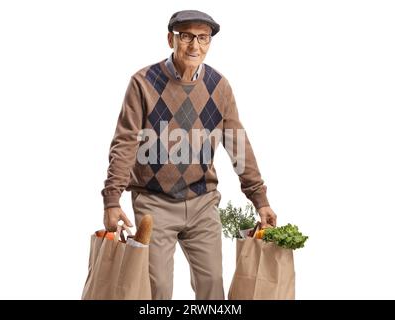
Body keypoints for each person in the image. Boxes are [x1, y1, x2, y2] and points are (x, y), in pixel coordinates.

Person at [101, 9, 277, 300]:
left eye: (202, 38)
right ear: (170, 39)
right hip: (154, 202)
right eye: (186, 37)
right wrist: (112, 199)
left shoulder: (219, 87)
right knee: (157, 291)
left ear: (209, 43)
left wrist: (260, 200)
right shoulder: (143, 83)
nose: (194, 45)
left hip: (202, 203)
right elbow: (125, 143)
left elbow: (237, 145)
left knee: (213, 287)